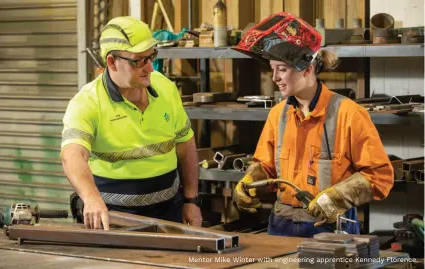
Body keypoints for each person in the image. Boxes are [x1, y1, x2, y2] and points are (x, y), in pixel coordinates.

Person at [232, 12, 394, 237]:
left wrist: (336, 198)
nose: (275, 78)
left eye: (282, 69)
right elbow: (267, 167)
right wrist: (250, 180)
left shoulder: (349, 114)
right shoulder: (278, 115)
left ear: (307, 69)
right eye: (273, 69)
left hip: (329, 227)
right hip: (281, 225)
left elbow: (379, 177)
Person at [61, 16, 202, 230]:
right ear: (111, 62)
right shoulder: (87, 102)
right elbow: (72, 155)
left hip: (169, 212)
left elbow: (185, 145)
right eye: (139, 61)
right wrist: (91, 198)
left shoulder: (165, 88)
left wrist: (191, 201)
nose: (150, 68)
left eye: (151, 56)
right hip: (112, 217)